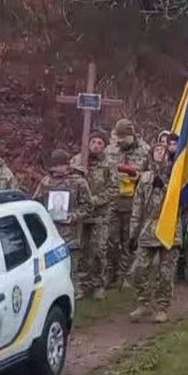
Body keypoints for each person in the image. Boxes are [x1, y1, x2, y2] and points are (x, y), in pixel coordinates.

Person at [127, 142, 178, 324]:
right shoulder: (145, 178)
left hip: (169, 229)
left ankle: (162, 307)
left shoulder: (175, 175)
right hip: (148, 229)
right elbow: (137, 206)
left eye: (163, 150)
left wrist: (164, 186)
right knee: (139, 269)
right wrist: (133, 233)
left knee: (165, 273)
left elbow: (180, 200)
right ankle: (143, 303)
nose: (159, 153)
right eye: (156, 150)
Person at [33, 149, 92, 297]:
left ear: (67, 165)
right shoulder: (46, 182)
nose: (59, 169)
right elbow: (36, 202)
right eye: (56, 165)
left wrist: (73, 216)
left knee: (72, 263)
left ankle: (75, 291)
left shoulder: (78, 182)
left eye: (62, 165)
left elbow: (88, 206)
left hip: (71, 232)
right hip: (51, 231)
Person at [105, 118, 149, 289]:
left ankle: (124, 275)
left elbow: (153, 173)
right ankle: (110, 272)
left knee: (129, 240)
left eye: (124, 137)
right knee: (110, 239)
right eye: (118, 137)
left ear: (132, 135)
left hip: (134, 203)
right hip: (113, 201)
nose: (120, 140)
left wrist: (139, 177)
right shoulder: (110, 150)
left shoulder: (145, 151)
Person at [72, 130, 115, 299]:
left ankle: (98, 284)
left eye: (99, 143)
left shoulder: (108, 164)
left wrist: (94, 200)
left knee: (98, 249)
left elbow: (113, 188)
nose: (96, 146)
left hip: (100, 214)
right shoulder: (77, 161)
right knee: (80, 249)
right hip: (81, 214)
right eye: (93, 142)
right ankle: (81, 285)